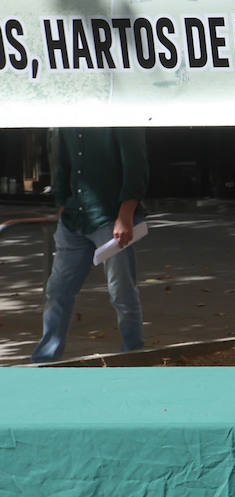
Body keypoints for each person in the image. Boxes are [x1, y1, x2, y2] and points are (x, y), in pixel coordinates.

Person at [30, 127, 149, 363]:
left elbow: (136, 164)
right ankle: (45, 358)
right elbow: (63, 162)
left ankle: (134, 354)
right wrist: (63, 202)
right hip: (75, 217)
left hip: (109, 215)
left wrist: (126, 213)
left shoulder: (121, 114)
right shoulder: (70, 117)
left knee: (121, 291)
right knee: (57, 290)